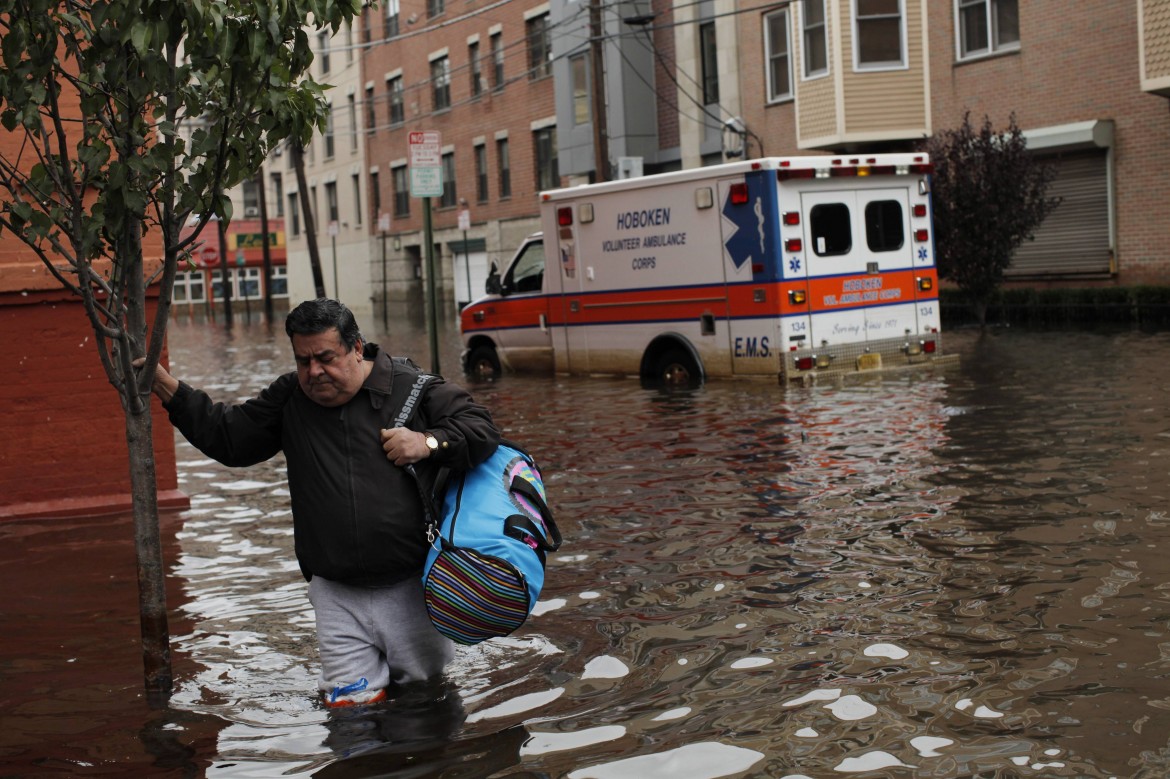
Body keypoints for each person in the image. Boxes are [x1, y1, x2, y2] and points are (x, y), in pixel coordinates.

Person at [143, 298, 500, 707]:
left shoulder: (415, 389)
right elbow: (231, 438)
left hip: (413, 588)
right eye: (303, 360)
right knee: (350, 717)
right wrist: (164, 386)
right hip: (335, 593)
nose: (313, 372)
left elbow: (481, 430)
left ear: (357, 348)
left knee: (427, 705)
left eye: (326, 358)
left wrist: (428, 442)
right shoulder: (291, 397)